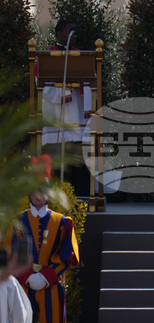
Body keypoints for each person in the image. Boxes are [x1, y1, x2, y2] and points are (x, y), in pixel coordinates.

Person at [13, 187, 80, 323]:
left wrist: (47, 276)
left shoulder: (61, 222)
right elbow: (10, 254)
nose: (39, 195)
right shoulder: (18, 221)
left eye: (43, 191)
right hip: (24, 286)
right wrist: (27, 276)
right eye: (34, 191)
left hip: (51, 286)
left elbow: (68, 256)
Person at [39, 19, 92, 196]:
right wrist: (64, 87)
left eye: (75, 32)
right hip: (58, 114)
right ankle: (57, 195)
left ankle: (81, 194)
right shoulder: (48, 57)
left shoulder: (81, 56)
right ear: (60, 33)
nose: (74, 35)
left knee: (77, 156)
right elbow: (42, 87)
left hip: (76, 113)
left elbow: (91, 81)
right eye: (70, 31)